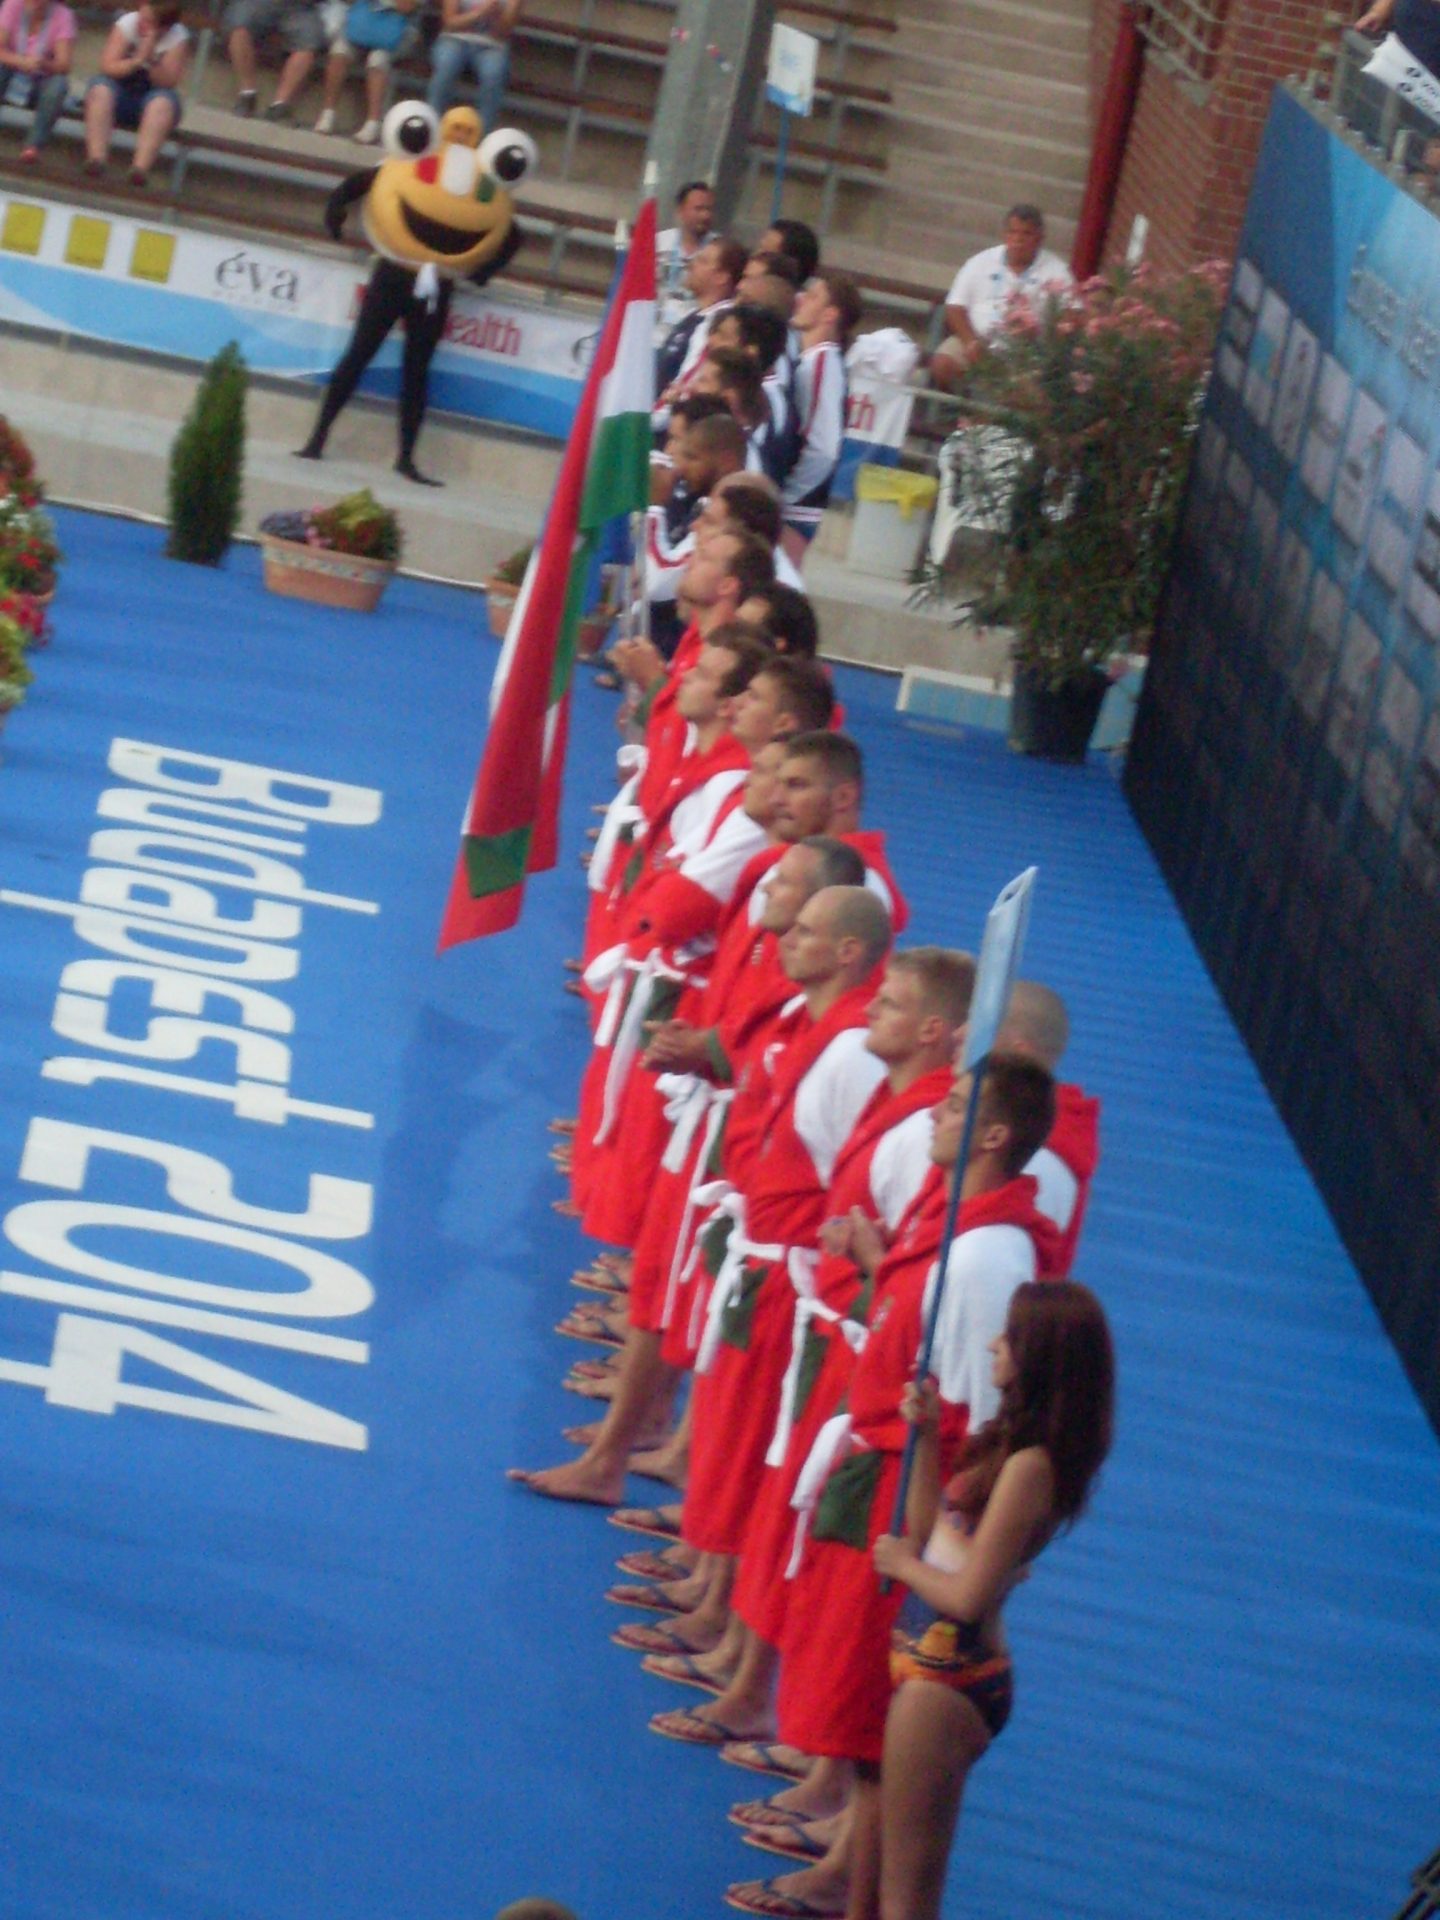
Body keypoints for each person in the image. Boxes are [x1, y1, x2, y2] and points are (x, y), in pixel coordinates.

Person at [860, 1280, 1114, 1920]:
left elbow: (968, 1596)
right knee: (889, 1882)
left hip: (947, 1682)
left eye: (1010, 1337)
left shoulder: (1030, 1468)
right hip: (932, 1669)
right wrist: (923, 1439)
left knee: (906, 1899)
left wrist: (902, 1566)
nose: (995, 1344)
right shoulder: (1004, 1446)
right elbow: (934, 1538)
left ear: (1038, 1358)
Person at [931, 205, 1072, 391]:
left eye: (1026, 234)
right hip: (979, 340)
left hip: (1027, 352)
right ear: (1004, 235)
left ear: (1039, 239)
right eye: (1013, 232)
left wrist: (1048, 344)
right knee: (942, 364)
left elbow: (1072, 313)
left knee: (1030, 390)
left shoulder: (1056, 270)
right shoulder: (980, 262)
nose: (1018, 240)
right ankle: (963, 404)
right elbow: (954, 307)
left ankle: (994, 404)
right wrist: (971, 342)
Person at [781, 270, 863, 561]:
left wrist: (784, 497)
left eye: (813, 296)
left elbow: (823, 449)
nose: (801, 299)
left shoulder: (821, 365)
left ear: (830, 315)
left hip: (794, 510)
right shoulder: (813, 361)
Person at [81, 0, 189, 186]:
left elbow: (169, 81)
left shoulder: (178, 37)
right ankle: (96, 159)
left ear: (163, 28)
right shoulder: (127, 23)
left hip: (153, 95)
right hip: (120, 90)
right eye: (142, 16)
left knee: (163, 103)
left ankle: (139, 169)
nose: (141, 22)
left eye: (148, 21)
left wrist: (151, 59)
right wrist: (136, 61)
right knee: (100, 89)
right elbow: (108, 66)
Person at [313, 0, 420, 143]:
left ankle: (373, 123)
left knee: (377, 60)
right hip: (363, 23)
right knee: (339, 51)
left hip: (397, 32)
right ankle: (328, 113)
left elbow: (406, 6)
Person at [0, 0, 75, 165]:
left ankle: (33, 145)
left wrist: (43, 63)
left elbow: (64, 64)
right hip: (11, 71)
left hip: (41, 76)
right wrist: (20, 61)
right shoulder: (12, 5)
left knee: (59, 85)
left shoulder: (63, 15)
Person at [427, 0, 520, 133]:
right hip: (454, 39)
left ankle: (481, 136)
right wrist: (480, 13)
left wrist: (494, 16)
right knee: (446, 67)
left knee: (494, 75)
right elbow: (450, 22)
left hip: (493, 46)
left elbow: (504, 32)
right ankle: (432, 127)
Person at [223, 0, 324, 120]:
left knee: (309, 42)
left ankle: (280, 105)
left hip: (301, 7)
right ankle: (247, 94)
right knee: (239, 26)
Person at [656, 179, 717, 332]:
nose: (705, 215)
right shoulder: (659, 243)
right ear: (681, 210)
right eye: (699, 209)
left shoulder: (718, 249)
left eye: (709, 209)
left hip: (694, 330)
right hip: (655, 328)